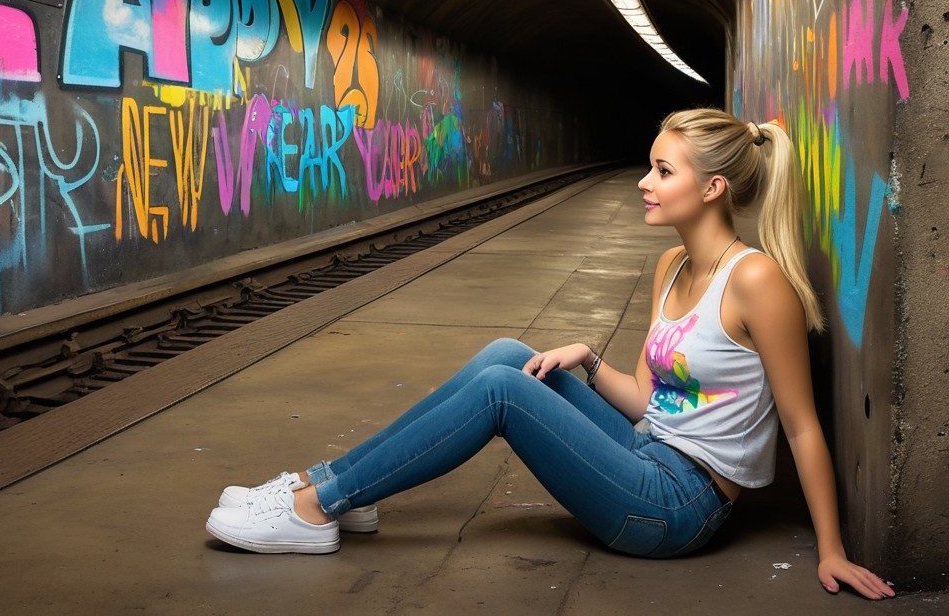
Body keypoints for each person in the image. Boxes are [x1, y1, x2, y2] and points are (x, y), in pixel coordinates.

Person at [205, 108, 895, 600]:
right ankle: (331, 486)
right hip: (644, 448)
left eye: (661, 170)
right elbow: (650, 401)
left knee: (502, 394)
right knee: (509, 353)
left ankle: (316, 509)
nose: (643, 182)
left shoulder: (756, 281)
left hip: (679, 507)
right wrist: (590, 361)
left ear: (713, 189)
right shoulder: (671, 268)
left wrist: (831, 550)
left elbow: (801, 425)